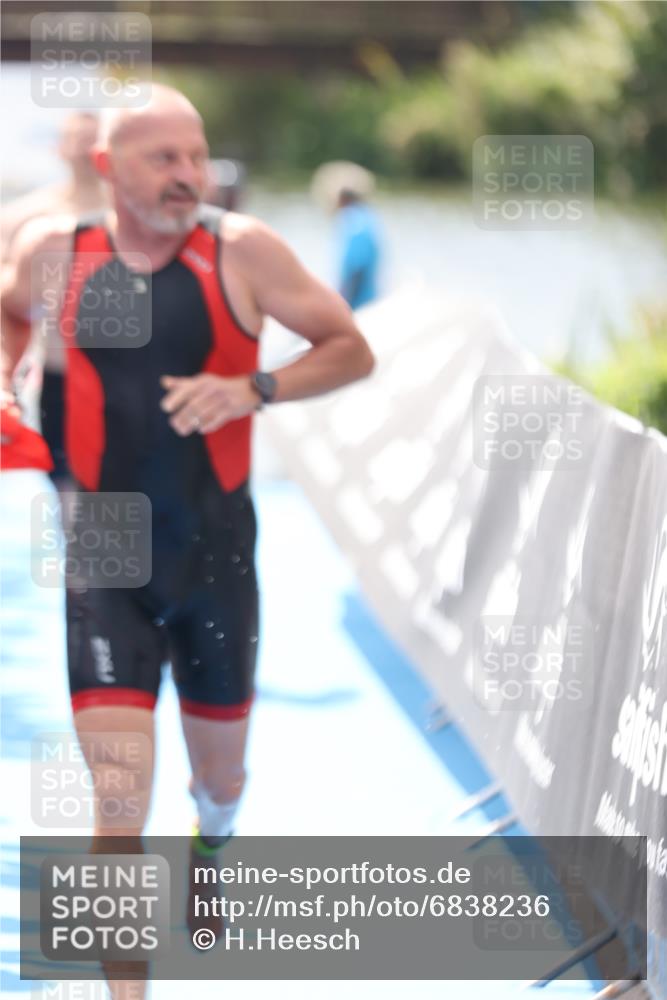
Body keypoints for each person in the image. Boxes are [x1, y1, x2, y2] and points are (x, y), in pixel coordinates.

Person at [1, 83, 374, 998]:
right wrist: (8, 379)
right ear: (106, 166)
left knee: (221, 779)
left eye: (196, 155)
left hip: (215, 562)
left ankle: (211, 845)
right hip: (105, 554)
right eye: (162, 157)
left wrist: (256, 389)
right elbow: (10, 312)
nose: (187, 174)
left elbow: (349, 346)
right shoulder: (55, 251)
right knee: (117, 798)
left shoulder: (240, 251)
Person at [1, 111, 108, 487]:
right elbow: (7, 306)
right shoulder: (26, 219)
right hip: (62, 376)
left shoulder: (136, 216)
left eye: (93, 138)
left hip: (133, 376)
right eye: (77, 138)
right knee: (69, 495)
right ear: (60, 147)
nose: (84, 148)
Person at [311, 160, 383, 309]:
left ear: (342, 198)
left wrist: (339, 308)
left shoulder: (352, 220)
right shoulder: (367, 216)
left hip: (359, 308)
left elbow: (355, 270)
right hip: (371, 303)